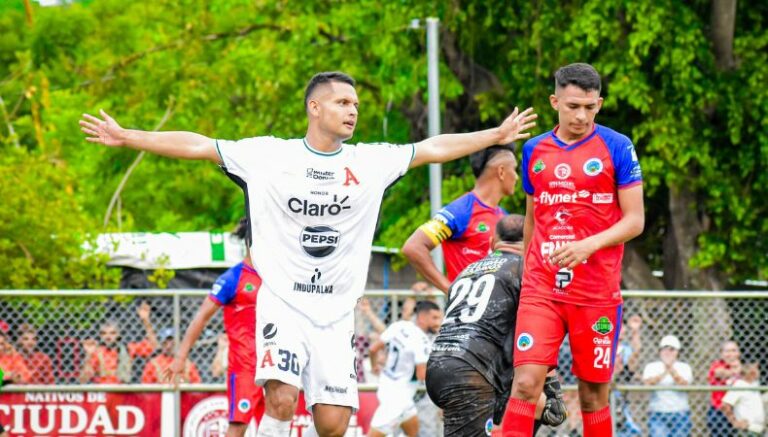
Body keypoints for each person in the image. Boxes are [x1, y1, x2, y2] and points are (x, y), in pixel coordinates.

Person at [80, 71, 537, 437]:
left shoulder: (370, 162)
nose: (352, 111)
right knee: (281, 398)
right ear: (314, 107)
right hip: (284, 301)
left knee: (332, 424)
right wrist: (129, 136)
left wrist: (494, 134)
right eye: (343, 102)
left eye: (356, 105)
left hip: (337, 313)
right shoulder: (268, 156)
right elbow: (199, 144)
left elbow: (432, 148)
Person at [501, 62, 644, 437]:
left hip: (595, 291)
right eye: (573, 106)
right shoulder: (534, 149)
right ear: (555, 102)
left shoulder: (617, 146)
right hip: (542, 288)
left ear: (599, 104)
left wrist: (588, 245)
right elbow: (533, 219)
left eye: (589, 107)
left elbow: (635, 220)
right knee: (525, 384)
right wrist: (526, 275)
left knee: (593, 397)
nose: (581, 115)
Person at [426, 215, 566, 436]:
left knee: (542, 406)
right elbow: (537, 326)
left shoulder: (468, 270)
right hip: (472, 373)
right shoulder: (526, 270)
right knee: (546, 403)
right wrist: (549, 378)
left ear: (492, 243)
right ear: (532, 240)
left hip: (440, 364)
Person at [163, 258, 265, 437]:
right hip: (245, 368)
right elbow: (201, 318)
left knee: (277, 421)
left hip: (274, 363)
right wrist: (180, 358)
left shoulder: (276, 273)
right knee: (238, 426)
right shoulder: (233, 278)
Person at [402, 145, 516, 292]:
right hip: (467, 306)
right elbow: (413, 247)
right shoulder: (461, 210)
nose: (516, 177)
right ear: (501, 172)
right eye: (514, 169)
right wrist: (451, 290)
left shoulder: (504, 216)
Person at [367, 301, 443, 437]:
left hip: (386, 385)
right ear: (422, 317)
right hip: (399, 396)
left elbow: (373, 349)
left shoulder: (399, 325)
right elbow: (421, 375)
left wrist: (374, 367)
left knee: (413, 431)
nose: (438, 323)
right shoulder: (422, 340)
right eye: (435, 318)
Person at [79, 302, 158, 383]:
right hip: (103, 388)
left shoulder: (127, 348)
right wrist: (88, 354)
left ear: (118, 334)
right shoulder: (97, 351)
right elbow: (83, 380)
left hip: (122, 388)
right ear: (100, 335)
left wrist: (146, 320)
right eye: (104, 333)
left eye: (112, 333)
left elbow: (154, 346)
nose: (108, 337)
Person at [641, 335, 693, 437]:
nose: (667, 352)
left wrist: (671, 369)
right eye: (664, 349)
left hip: (680, 411)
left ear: (677, 352)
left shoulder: (684, 367)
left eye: (672, 349)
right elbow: (647, 383)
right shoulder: (652, 366)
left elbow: (684, 384)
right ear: (660, 351)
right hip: (657, 411)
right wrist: (665, 371)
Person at [708, 340, 741, 437]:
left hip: (738, 411)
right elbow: (719, 373)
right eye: (727, 351)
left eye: (733, 350)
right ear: (721, 354)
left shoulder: (742, 367)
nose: (730, 354)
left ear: (738, 353)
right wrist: (735, 370)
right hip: (720, 412)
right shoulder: (717, 365)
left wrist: (739, 368)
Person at [721, 362, 764, 436]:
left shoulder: (755, 384)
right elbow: (725, 405)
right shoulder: (739, 385)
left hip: (759, 428)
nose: (758, 372)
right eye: (756, 369)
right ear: (751, 372)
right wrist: (735, 422)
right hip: (747, 428)